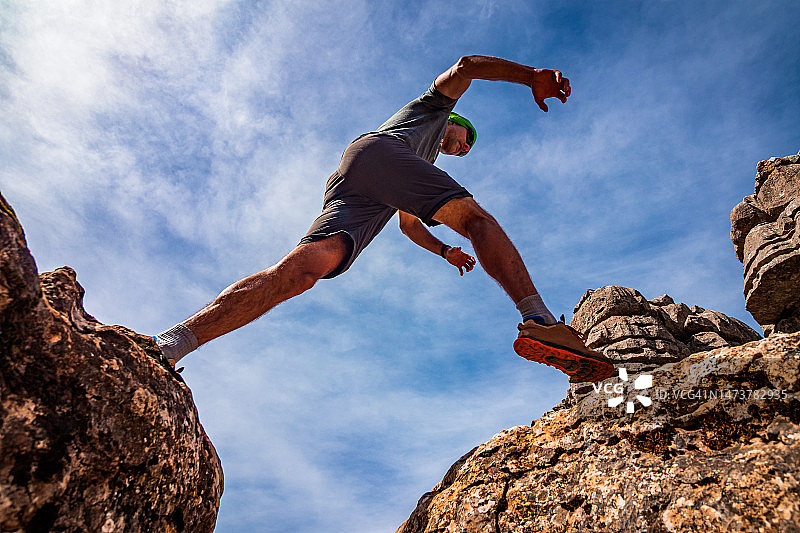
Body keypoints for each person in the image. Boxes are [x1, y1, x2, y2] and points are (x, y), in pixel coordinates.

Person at [154, 55, 615, 383]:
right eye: (462, 137)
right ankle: (539, 318)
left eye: (465, 149)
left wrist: (443, 250)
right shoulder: (433, 110)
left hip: (359, 188)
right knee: (478, 220)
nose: (461, 147)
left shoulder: (419, 172)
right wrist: (531, 76)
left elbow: (407, 224)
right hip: (377, 151)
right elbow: (467, 66)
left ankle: (173, 343)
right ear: (454, 121)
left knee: (302, 271)